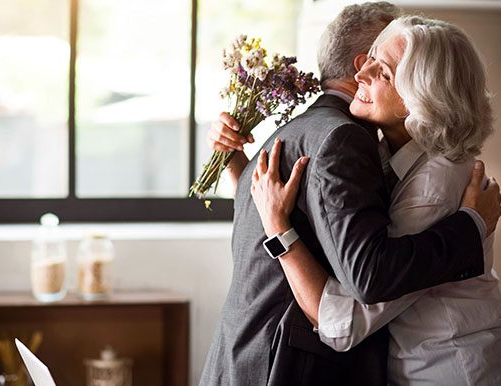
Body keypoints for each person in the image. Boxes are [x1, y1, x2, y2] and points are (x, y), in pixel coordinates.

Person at [199, 3, 501, 386]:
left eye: (383, 70)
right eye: (371, 58)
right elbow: (290, 212)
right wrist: (239, 168)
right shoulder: (347, 140)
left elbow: (350, 314)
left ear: (419, 94)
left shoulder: (422, 180)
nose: (363, 72)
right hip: (276, 358)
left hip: (447, 369)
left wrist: (471, 225)